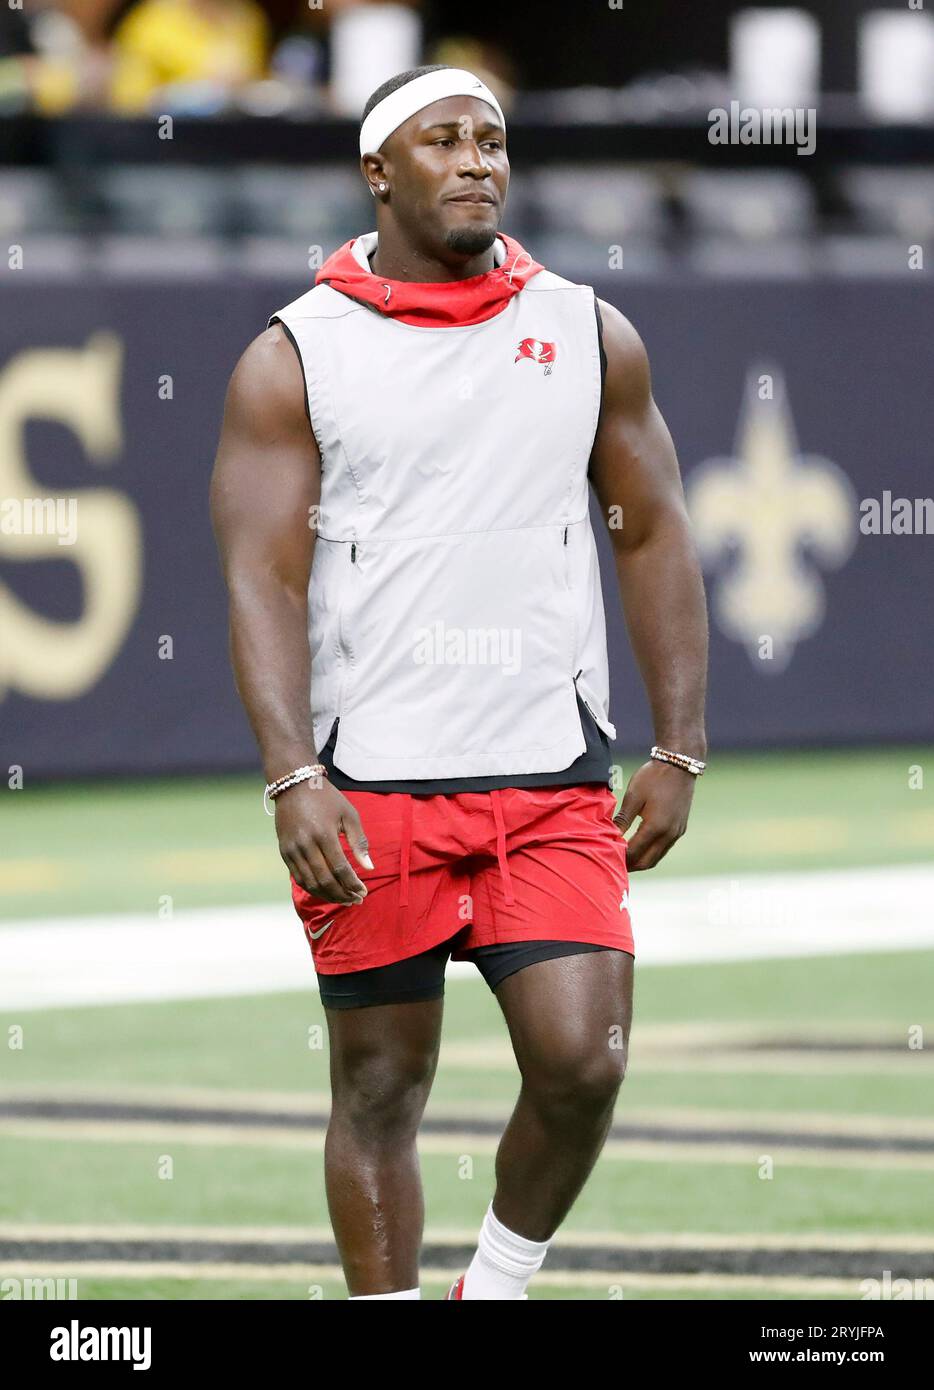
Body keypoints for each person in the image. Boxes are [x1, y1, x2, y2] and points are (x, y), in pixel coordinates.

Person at [210, 64, 708, 1301]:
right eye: (446, 141)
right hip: (370, 784)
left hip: (546, 770)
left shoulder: (588, 330)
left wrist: (678, 743)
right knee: (380, 1089)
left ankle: (494, 1281)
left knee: (583, 1062)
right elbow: (260, 577)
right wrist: (291, 774)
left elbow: (650, 532)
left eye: (493, 140)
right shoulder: (296, 352)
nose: (480, 161)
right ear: (379, 172)